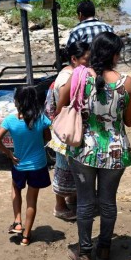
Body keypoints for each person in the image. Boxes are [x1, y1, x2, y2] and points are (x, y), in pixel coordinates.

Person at [58, 33, 131, 260]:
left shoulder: (80, 76)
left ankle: (85, 253)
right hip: (115, 152)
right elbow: (130, 121)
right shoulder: (126, 82)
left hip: (83, 150)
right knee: (108, 202)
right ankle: (104, 248)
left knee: (85, 203)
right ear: (115, 55)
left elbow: (61, 105)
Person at [0, 86, 52, 246]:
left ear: (16, 102)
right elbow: (48, 137)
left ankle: (18, 221)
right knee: (32, 200)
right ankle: (26, 237)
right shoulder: (41, 119)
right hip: (38, 165)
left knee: (15, 189)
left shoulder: (10, 120)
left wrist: (9, 154)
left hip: (19, 164)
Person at [45, 41, 91, 221]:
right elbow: (63, 104)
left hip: (65, 127)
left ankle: (72, 198)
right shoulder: (67, 78)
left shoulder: (69, 74)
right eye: (86, 59)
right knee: (64, 167)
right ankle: (60, 205)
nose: (89, 63)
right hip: (66, 129)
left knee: (70, 166)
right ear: (74, 59)